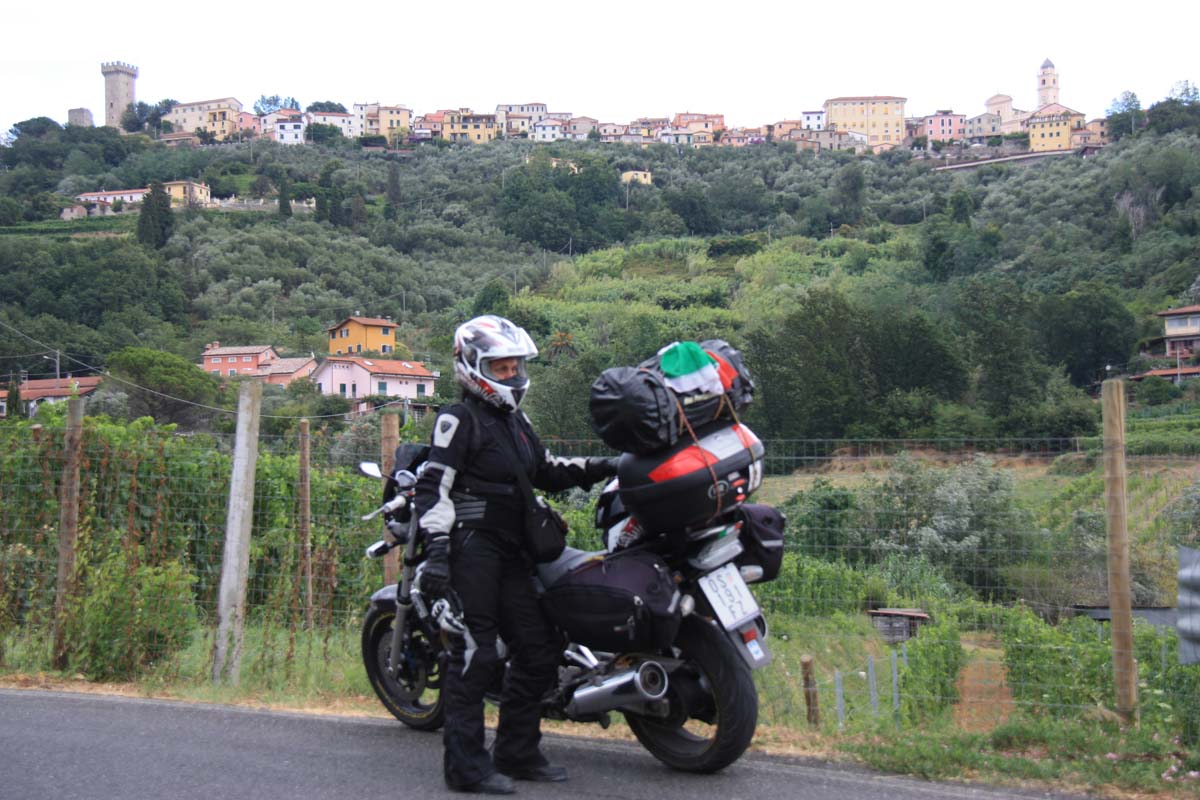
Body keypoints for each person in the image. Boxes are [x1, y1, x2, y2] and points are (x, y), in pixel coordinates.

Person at [412, 315, 618, 795]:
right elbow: (433, 487)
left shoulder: (514, 421)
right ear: (472, 369)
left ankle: (517, 752)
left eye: (513, 367)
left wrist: (607, 465)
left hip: (513, 551)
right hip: (472, 549)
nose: (511, 375)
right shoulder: (457, 419)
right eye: (500, 368)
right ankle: (465, 768)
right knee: (474, 654)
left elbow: (544, 469)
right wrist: (438, 551)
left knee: (539, 648)